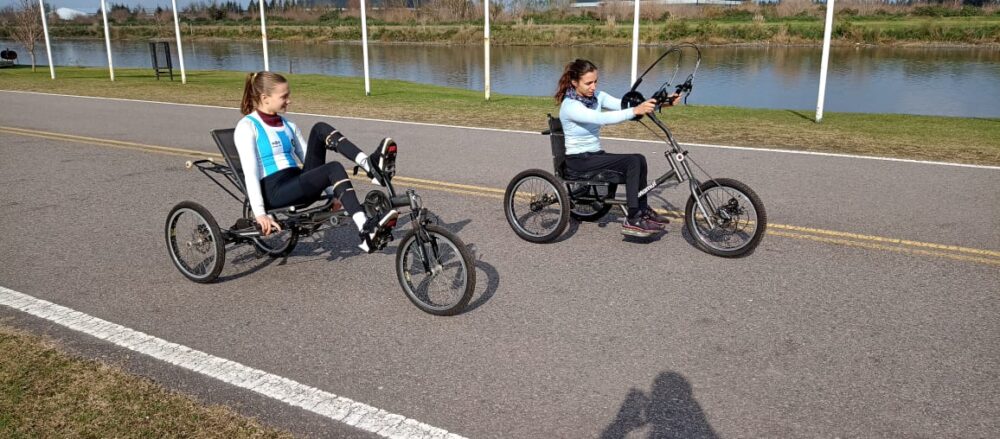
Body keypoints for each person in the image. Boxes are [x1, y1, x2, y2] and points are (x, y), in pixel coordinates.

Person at [234, 71, 398, 253]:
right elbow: (250, 173)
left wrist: (333, 194)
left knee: (320, 128)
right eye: (284, 96)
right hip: (275, 191)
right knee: (334, 167)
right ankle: (365, 229)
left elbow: (312, 164)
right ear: (265, 98)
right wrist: (260, 214)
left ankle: (369, 165)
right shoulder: (247, 127)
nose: (289, 100)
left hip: (297, 183)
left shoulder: (289, 126)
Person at [556, 59, 677, 237]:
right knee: (633, 161)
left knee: (639, 159)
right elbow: (600, 119)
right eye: (588, 83)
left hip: (594, 155)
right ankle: (633, 218)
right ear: (574, 83)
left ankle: (642, 210)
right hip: (579, 160)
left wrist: (663, 103)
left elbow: (626, 105)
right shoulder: (570, 106)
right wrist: (634, 112)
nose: (593, 86)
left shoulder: (597, 97)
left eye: (595, 81)